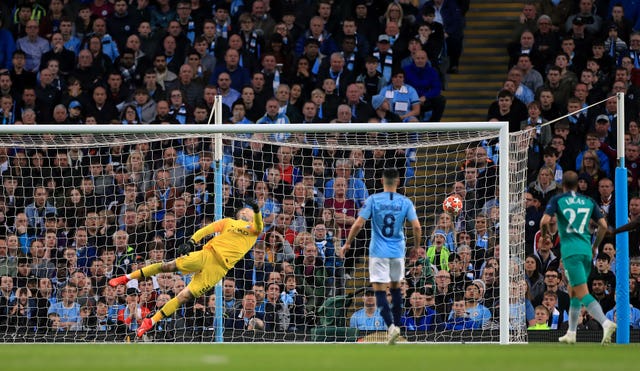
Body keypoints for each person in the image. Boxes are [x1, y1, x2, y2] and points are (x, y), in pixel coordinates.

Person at [108, 200, 263, 337]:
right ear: (238, 214)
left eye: (248, 210)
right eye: (243, 210)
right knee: (169, 265)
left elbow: (259, 224)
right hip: (207, 254)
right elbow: (206, 230)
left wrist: (256, 209)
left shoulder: (254, 230)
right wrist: (191, 242)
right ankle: (125, 278)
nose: (245, 211)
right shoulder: (229, 222)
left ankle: (150, 322)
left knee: (184, 296)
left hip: (218, 269)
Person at [338, 168, 421, 345]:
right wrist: (416, 246)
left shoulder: (373, 200)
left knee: (380, 292)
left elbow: (359, 223)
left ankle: (390, 326)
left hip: (378, 252)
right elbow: (417, 227)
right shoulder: (405, 201)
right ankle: (396, 326)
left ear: (382, 181)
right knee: (397, 290)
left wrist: (347, 243)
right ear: (398, 181)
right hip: (397, 251)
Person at [540, 171, 616, 345]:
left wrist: (545, 236)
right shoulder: (588, 201)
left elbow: (544, 222)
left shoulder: (558, 199)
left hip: (570, 252)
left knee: (582, 293)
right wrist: (595, 245)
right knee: (574, 291)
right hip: (586, 250)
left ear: (563, 185)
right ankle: (571, 333)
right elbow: (603, 225)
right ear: (577, 185)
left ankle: (606, 322)